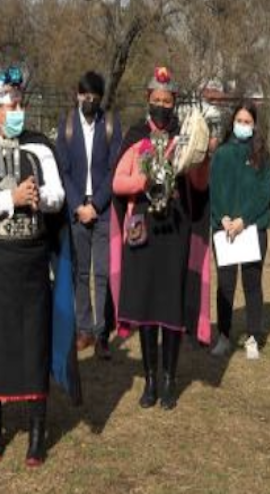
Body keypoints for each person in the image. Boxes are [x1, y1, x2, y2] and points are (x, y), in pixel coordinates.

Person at [0, 71, 81, 466]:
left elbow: (59, 193)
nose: (18, 112)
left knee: (32, 343)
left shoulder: (41, 148)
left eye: (21, 105)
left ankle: (37, 433)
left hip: (31, 263)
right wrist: (10, 197)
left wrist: (39, 197)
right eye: (11, 107)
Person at [110, 67, 209, 410]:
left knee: (170, 306)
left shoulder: (185, 137)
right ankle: (150, 381)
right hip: (143, 229)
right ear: (148, 101)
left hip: (175, 231)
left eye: (168, 101)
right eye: (157, 101)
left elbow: (198, 187)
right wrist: (144, 179)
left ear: (175, 103)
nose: (162, 107)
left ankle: (169, 381)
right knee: (145, 305)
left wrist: (200, 159)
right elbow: (117, 184)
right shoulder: (135, 136)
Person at [55, 71, 122, 359]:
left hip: (103, 211)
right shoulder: (67, 125)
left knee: (102, 274)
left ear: (100, 98)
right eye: (85, 95)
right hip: (76, 211)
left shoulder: (110, 125)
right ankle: (83, 330)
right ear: (77, 95)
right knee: (80, 273)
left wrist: (97, 205)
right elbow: (63, 170)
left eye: (95, 96)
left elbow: (114, 169)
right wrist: (78, 206)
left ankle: (101, 332)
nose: (89, 100)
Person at [209, 101, 270, 360]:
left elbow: (264, 193)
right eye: (240, 121)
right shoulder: (222, 154)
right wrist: (222, 217)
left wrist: (243, 220)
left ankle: (253, 337)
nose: (243, 126)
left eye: (248, 122)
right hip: (223, 230)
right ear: (232, 122)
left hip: (252, 229)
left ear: (254, 125)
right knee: (225, 284)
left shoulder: (262, 156)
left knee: (252, 283)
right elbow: (214, 190)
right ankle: (224, 336)